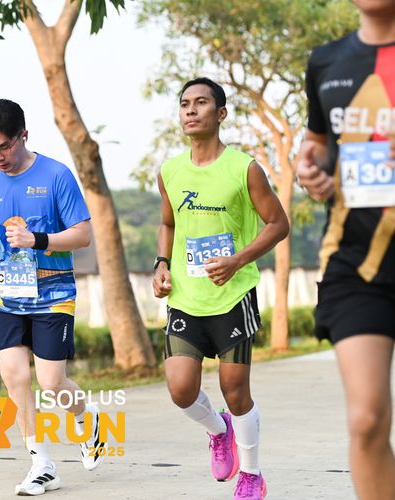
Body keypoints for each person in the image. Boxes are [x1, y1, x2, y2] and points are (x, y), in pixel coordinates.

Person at [152, 78, 289, 500]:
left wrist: (237, 261)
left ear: (221, 113)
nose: (191, 111)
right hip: (186, 299)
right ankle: (218, 430)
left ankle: (251, 474)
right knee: (180, 390)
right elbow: (168, 224)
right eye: (184, 104)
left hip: (232, 297)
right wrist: (161, 263)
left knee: (236, 391)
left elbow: (278, 224)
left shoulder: (244, 168)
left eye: (201, 103)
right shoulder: (170, 172)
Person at [0, 99, 103, 496]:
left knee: (52, 382)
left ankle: (87, 415)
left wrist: (37, 239)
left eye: (5, 146)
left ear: (23, 135)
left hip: (53, 295)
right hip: (7, 297)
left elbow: (83, 235)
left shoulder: (56, 175)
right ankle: (41, 463)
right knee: (15, 376)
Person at [296, 2, 395, 497]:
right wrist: (310, 170)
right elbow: (316, 144)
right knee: (366, 418)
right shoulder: (326, 61)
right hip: (358, 265)